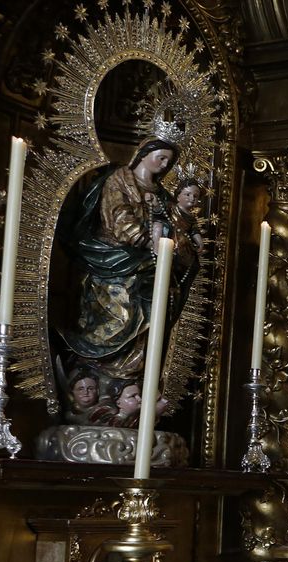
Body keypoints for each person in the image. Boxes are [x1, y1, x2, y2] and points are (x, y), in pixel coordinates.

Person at [58, 137, 186, 395]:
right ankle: (95, 370)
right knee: (120, 314)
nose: (163, 165)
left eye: (168, 162)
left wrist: (177, 238)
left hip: (149, 263)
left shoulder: (161, 195)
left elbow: (174, 224)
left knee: (152, 315)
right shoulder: (119, 180)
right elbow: (117, 215)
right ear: (144, 154)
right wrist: (141, 238)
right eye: (160, 157)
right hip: (113, 260)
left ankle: (130, 378)